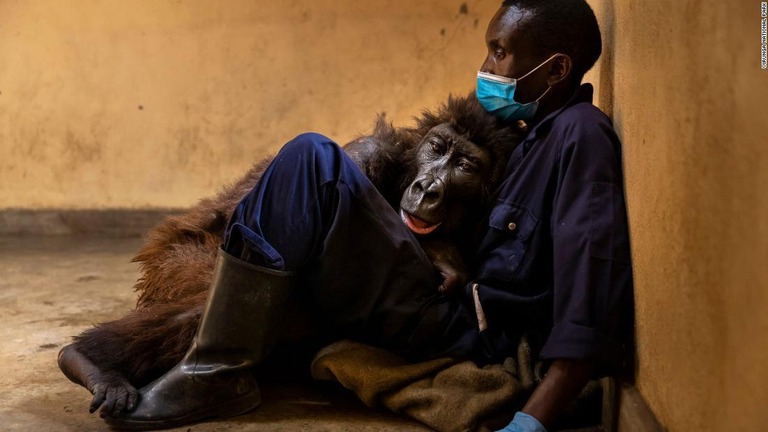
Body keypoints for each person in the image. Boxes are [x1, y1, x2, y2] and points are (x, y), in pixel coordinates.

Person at [103, 0, 633, 431]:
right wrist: (436, 248)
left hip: (461, 327)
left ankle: (215, 369)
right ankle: (207, 356)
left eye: (499, 53)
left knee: (314, 159)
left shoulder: (579, 135)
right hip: (435, 293)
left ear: (557, 68)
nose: (486, 70)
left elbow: (592, 270)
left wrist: (533, 421)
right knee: (320, 171)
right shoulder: (521, 138)